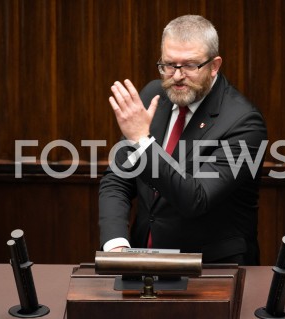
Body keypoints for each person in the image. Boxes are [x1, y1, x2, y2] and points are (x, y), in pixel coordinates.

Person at [99, 15, 267, 265]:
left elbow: (195, 198)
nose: (177, 76)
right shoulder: (153, 95)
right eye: (169, 65)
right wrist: (116, 245)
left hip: (211, 270)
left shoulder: (244, 122)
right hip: (141, 263)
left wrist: (142, 142)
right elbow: (117, 179)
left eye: (189, 66)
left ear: (214, 65)